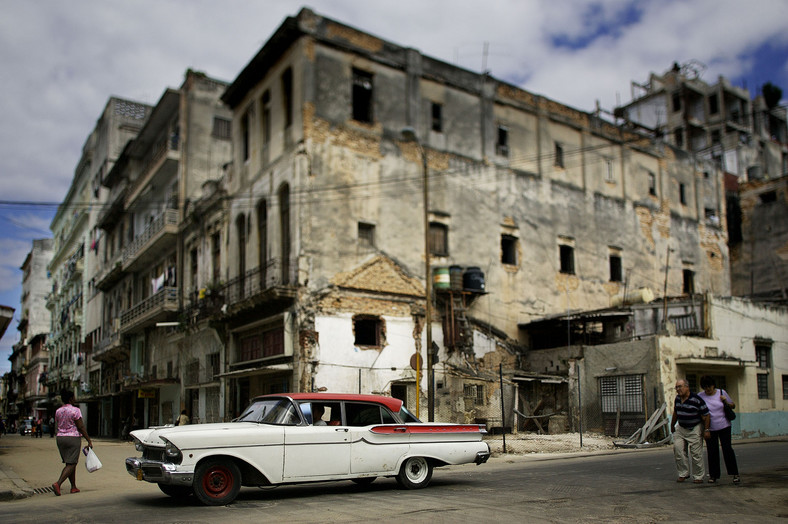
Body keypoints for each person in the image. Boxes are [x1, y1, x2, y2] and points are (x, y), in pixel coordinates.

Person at [697, 375, 740, 484]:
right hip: (710, 428)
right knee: (712, 451)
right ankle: (713, 475)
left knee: (727, 449)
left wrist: (726, 401)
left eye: (709, 386)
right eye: (705, 387)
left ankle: (734, 474)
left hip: (724, 426)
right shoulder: (700, 396)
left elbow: (733, 405)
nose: (708, 389)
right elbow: (698, 410)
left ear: (713, 385)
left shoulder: (721, 392)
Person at [52, 389, 93, 496]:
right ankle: (58, 483)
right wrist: (88, 439)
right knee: (73, 463)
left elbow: (57, 425)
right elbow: (80, 426)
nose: (75, 399)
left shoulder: (58, 411)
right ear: (71, 399)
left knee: (69, 462)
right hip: (73, 438)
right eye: (74, 397)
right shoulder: (75, 410)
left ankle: (73, 487)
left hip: (60, 438)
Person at [670, 378, 710, 484]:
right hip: (681, 427)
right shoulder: (677, 399)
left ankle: (698, 476)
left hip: (694, 428)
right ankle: (683, 473)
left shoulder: (696, 399)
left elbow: (706, 415)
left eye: (680, 387)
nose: (678, 389)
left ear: (687, 387)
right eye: (676, 387)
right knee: (678, 450)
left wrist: (706, 430)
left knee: (696, 454)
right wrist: (672, 425)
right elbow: (676, 412)